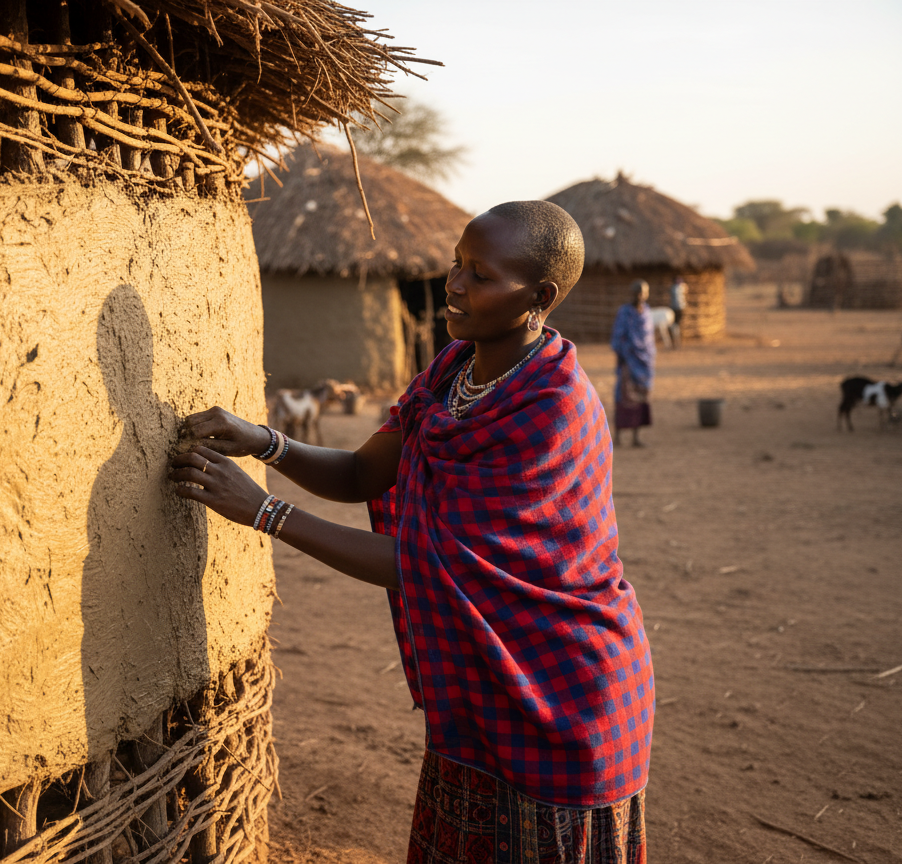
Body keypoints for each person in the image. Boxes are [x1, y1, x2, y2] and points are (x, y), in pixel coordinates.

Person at [170, 201, 652, 863]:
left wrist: (264, 513)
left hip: (559, 691)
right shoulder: (453, 371)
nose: (453, 284)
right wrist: (265, 442)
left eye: (479, 275)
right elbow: (366, 471)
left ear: (539, 296)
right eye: (456, 263)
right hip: (481, 685)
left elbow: (432, 563)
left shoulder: (553, 410)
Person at [610, 280, 656, 447]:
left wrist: (647, 357)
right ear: (632, 293)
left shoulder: (647, 312)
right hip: (628, 362)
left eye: (644, 292)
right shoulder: (625, 313)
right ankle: (618, 436)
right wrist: (626, 354)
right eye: (638, 292)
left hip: (644, 365)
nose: (640, 296)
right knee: (624, 398)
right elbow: (618, 337)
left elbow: (648, 339)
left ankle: (636, 437)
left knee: (641, 398)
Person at [667, 274, 688, 347]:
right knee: (674, 325)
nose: (679, 281)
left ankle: (679, 340)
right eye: (678, 280)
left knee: (678, 325)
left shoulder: (682, 287)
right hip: (675, 308)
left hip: (681, 308)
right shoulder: (674, 288)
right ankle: (674, 341)